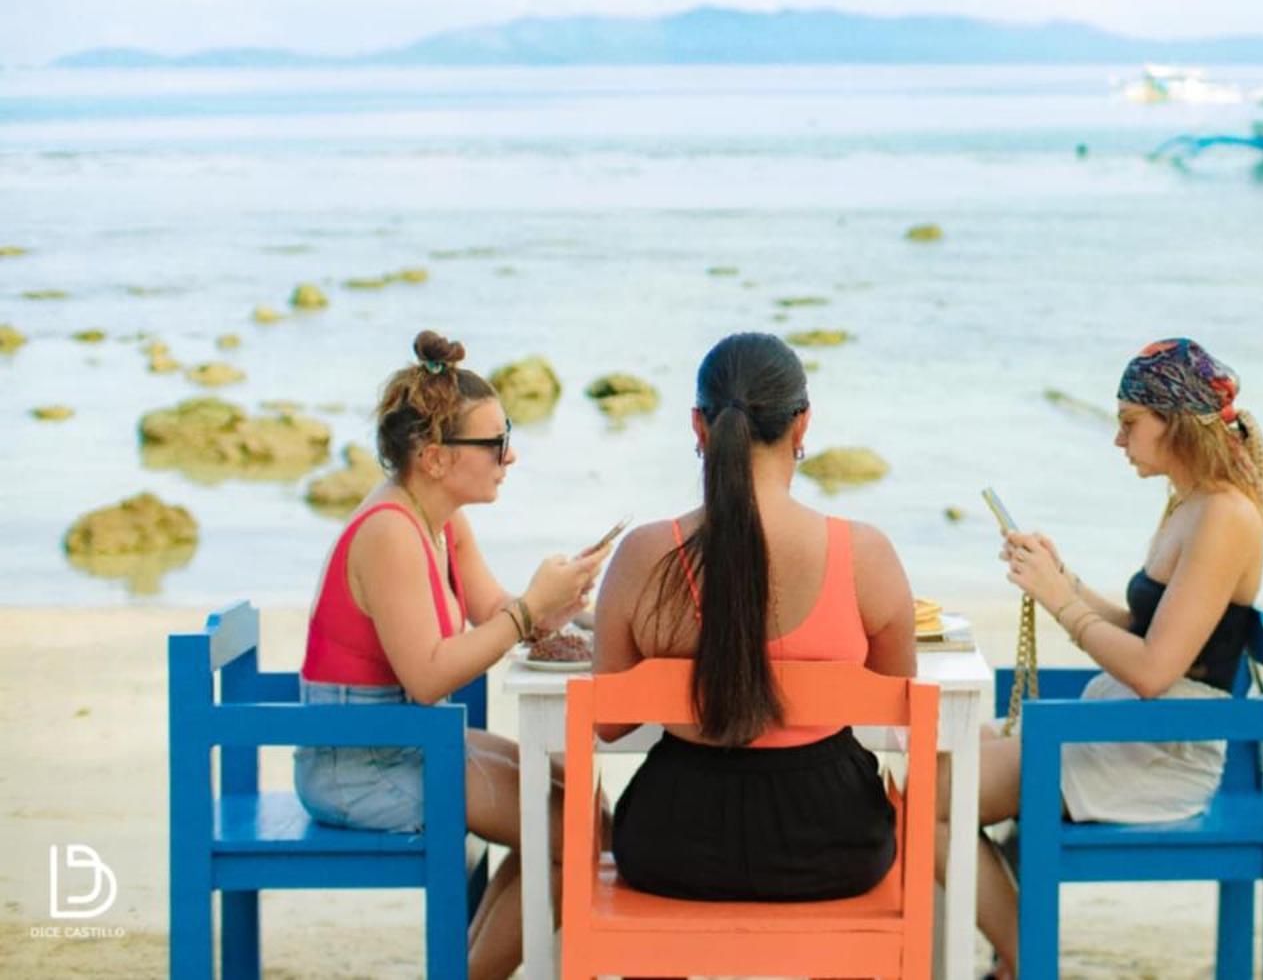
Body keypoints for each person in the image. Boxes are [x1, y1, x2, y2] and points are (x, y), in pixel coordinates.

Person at [295, 330, 609, 980]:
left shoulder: (439, 519)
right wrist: (527, 611)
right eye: (495, 442)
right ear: (435, 457)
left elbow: (497, 611)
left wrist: (561, 597)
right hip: (357, 763)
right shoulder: (389, 532)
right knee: (571, 831)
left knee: (583, 807)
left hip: (405, 739)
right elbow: (430, 674)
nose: (511, 454)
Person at [966, 337, 1263, 980]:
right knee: (940, 776)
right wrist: (1064, 581)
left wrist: (1059, 604)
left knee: (936, 798)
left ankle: (1023, 961)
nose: (1119, 441)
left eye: (1130, 424)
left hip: (1157, 751)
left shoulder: (1226, 516)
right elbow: (1146, 629)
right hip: (1126, 729)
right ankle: (1016, 954)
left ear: (1177, 422)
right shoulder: (1192, 505)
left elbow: (1156, 669)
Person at [591, 330, 918, 901]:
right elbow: (895, 705)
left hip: (672, 845)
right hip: (833, 845)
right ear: (802, 425)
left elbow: (611, 723)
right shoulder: (864, 555)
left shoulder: (645, 555)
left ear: (699, 426)